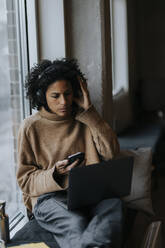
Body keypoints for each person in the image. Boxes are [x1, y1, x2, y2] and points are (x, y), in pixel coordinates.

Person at [17, 58, 123, 248]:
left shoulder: (85, 118)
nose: (64, 101)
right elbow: (25, 180)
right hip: (50, 197)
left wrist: (89, 112)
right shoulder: (29, 127)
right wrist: (55, 173)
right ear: (42, 96)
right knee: (75, 224)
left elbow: (112, 153)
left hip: (91, 192)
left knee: (113, 210)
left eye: (68, 94)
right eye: (55, 96)